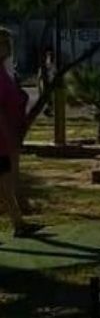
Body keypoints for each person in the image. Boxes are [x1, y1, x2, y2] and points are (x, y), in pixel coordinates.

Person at [0, 28, 40, 238]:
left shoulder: (4, 72)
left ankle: (19, 224)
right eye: (3, 43)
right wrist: (9, 136)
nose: (7, 48)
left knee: (5, 183)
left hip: (5, 139)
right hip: (2, 138)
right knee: (4, 182)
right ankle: (19, 223)